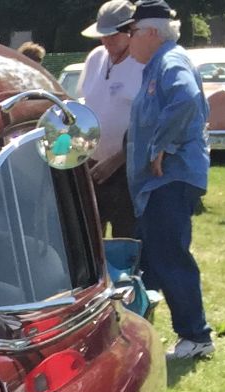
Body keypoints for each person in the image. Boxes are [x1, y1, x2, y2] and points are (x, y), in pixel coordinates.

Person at [125, 1, 212, 361]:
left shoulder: (171, 61)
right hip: (161, 181)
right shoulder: (158, 64)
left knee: (170, 256)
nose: (128, 39)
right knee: (154, 259)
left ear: (151, 32)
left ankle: (196, 336)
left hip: (170, 178)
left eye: (131, 32)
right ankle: (134, 336)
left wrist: (162, 144)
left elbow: (186, 98)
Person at [81, 1, 142, 237]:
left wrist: (118, 158)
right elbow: (86, 103)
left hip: (127, 168)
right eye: (103, 35)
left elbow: (148, 122)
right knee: (90, 234)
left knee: (125, 235)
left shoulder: (142, 62)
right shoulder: (95, 57)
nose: (106, 41)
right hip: (92, 163)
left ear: (131, 31)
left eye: (113, 35)